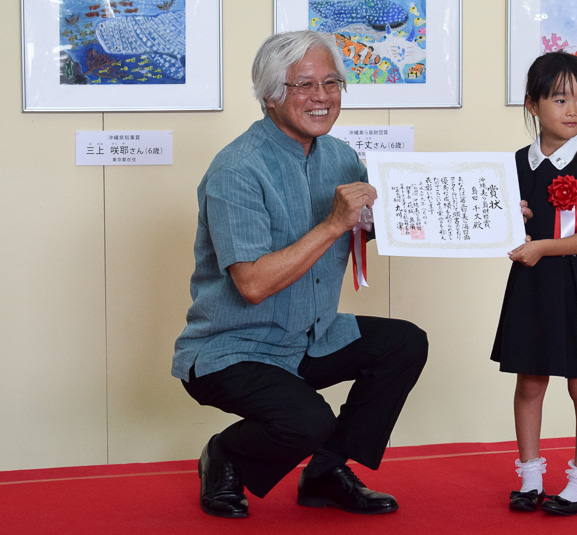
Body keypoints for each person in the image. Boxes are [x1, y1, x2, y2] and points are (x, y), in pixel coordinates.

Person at [172, 30, 428, 519]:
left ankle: (326, 471)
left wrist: (496, 217)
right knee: (307, 422)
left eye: (331, 83)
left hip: (310, 334)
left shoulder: (340, 156)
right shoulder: (237, 170)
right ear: (271, 95)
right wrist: (334, 223)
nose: (322, 97)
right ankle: (225, 455)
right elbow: (252, 285)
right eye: (304, 85)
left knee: (404, 343)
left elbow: (359, 232)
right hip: (235, 347)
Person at [490, 51, 577, 516]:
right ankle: (530, 475)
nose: (573, 110)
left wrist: (538, 247)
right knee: (529, 380)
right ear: (532, 105)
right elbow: (506, 224)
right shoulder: (515, 163)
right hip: (533, 286)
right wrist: (515, 222)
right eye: (559, 99)